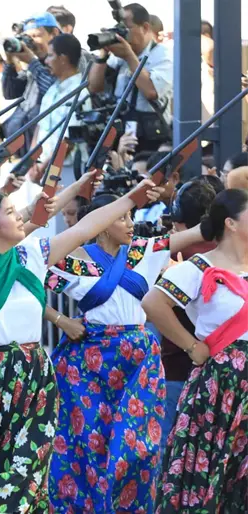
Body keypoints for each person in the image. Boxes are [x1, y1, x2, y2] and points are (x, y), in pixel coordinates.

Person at [0, 178, 164, 513]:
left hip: (35, 374)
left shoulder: (33, 254)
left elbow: (85, 228)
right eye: (10, 212)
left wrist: (129, 199)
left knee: (29, 464)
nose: (21, 216)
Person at [45, 192, 210, 513]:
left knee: (138, 444)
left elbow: (200, 232)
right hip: (88, 358)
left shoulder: (145, 251)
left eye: (130, 216)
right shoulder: (73, 259)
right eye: (122, 218)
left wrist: (231, 209)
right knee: (89, 439)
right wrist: (61, 321)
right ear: (102, 224)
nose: (131, 224)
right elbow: (27, 281)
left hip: (139, 359)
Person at [144, 189, 248, 512]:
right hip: (221, 386)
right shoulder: (199, 267)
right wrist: (191, 346)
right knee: (213, 470)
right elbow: (153, 302)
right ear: (230, 223)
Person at [158, 179, 219, 449]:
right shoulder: (231, 254)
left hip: (179, 364)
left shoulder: (178, 256)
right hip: (225, 368)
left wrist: (192, 347)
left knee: (169, 447)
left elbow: (151, 306)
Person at [90, 3, 174, 154]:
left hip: (150, 138)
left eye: (126, 29)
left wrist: (129, 56)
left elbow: (151, 91)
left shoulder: (164, 56)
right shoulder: (119, 57)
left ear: (145, 27)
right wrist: (103, 54)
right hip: (120, 132)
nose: (122, 34)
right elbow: (95, 87)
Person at [32, 33, 91, 185]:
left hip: (65, 168)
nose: (46, 61)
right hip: (43, 165)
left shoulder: (79, 92)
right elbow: (40, 126)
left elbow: (68, 142)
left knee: (60, 208)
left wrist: (45, 168)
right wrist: (32, 161)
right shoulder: (53, 89)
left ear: (63, 58)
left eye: (50, 56)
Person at [1, 12, 61, 154]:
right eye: (28, 38)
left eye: (36, 36)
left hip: (48, 153)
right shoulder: (35, 65)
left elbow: (55, 95)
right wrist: (10, 62)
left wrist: (32, 62)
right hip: (23, 150)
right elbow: (9, 93)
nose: (32, 43)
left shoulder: (71, 59)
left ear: (54, 33)